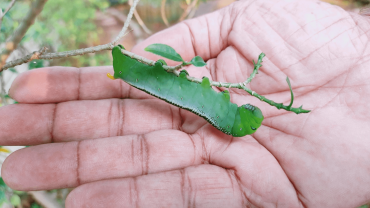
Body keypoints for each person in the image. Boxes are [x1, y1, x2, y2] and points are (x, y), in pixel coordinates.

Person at [1, 0, 370, 207]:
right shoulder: (226, 109)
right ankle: (124, 67)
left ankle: (125, 68)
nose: (253, 108)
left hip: (141, 76)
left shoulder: (223, 107)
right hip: (141, 75)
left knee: (167, 85)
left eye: (249, 112)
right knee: (167, 84)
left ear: (236, 114)